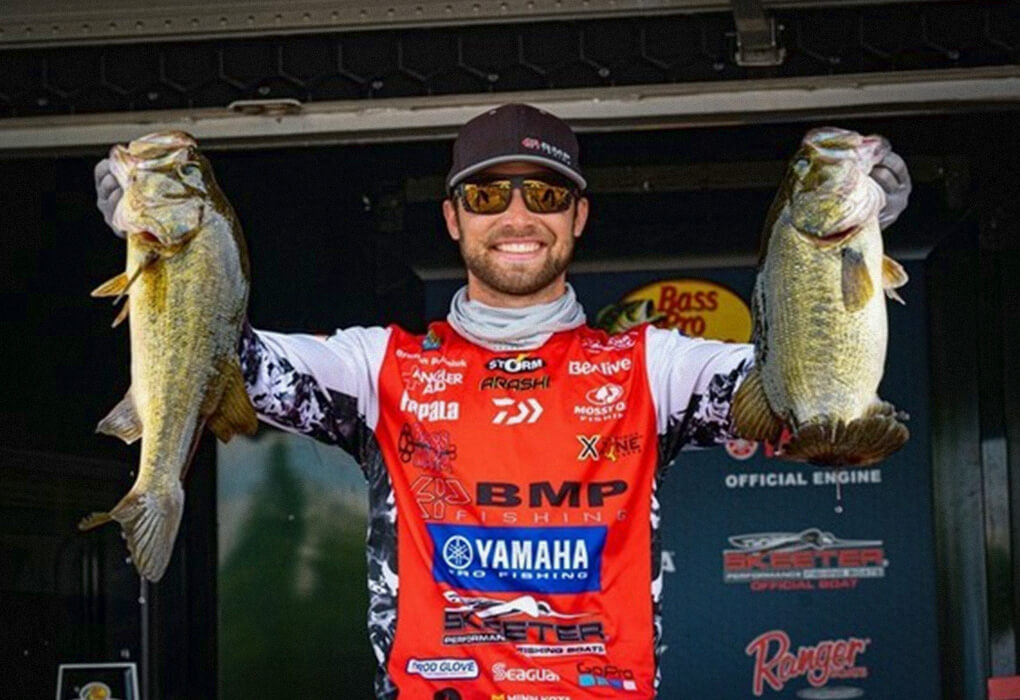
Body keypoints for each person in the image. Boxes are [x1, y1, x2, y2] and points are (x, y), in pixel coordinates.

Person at [94, 103, 911, 699]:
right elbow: (222, 357)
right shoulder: (377, 366)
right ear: (452, 219)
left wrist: (851, 238)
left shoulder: (654, 365)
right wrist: (166, 239)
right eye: (488, 197)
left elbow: (798, 393)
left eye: (546, 195)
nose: (518, 217)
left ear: (579, 216)